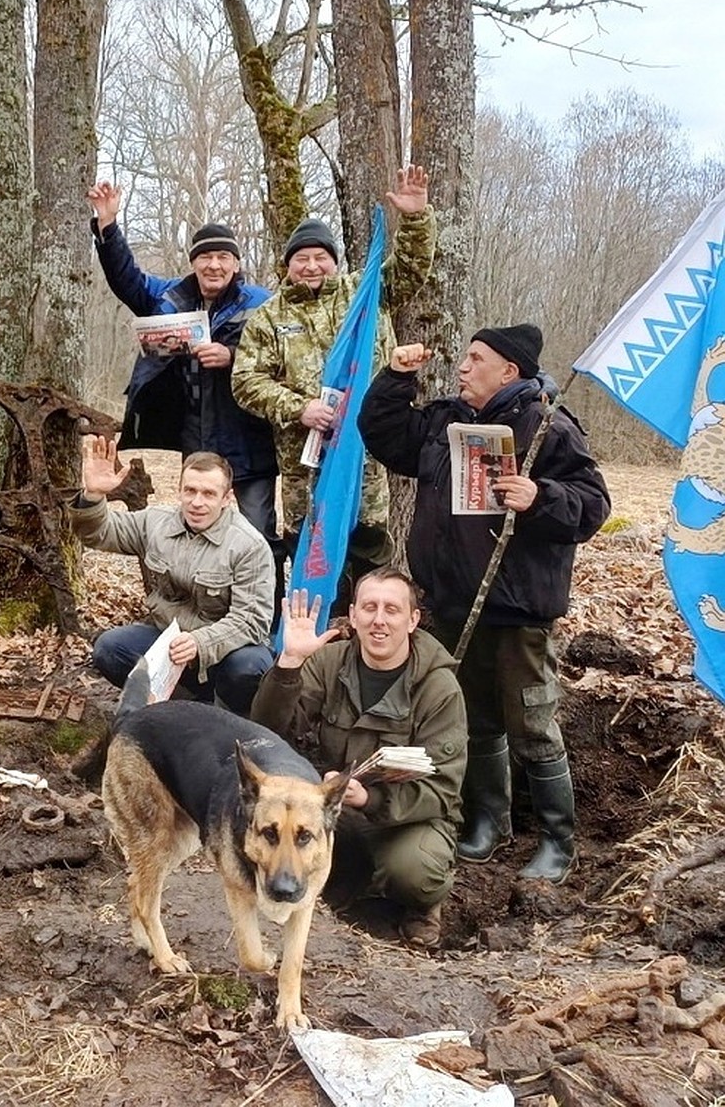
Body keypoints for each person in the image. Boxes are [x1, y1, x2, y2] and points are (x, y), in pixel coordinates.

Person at [358, 327, 611, 883]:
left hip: (518, 610)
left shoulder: (547, 427)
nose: (464, 367)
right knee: (473, 718)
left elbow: (593, 506)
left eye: (477, 359)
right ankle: (488, 823)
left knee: (532, 722)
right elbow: (381, 433)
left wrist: (540, 497)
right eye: (467, 357)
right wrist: (396, 378)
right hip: (451, 602)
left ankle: (556, 841)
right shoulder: (447, 420)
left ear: (509, 372)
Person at [232, 166, 436, 597]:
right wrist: (298, 408)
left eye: (320, 257)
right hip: (306, 474)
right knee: (315, 576)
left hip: (365, 471)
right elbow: (245, 380)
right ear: (286, 266)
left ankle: (368, 652)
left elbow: (411, 270)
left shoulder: (363, 294)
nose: (311, 266)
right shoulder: (270, 316)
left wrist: (416, 219)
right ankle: (313, 655)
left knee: (369, 571)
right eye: (300, 259)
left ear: (333, 261)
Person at [250, 571, 466, 948]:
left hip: (408, 820)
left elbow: (444, 789)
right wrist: (288, 665)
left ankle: (419, 908)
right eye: (369, 607)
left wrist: (371, 799)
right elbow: (267, 731)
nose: (379, 619)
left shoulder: (439, 687)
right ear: (352, 615)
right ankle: (352, 891)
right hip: (335, 812)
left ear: (413, 620)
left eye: (392, 610)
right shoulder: (330, 662)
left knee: (416, 873)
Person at [86, 183, 281, 595]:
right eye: (205, 257)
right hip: (196, 436)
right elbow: (127, 281)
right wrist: (107, 226)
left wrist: (231, 356)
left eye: (223, 257)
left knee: (257, 530)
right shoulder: (170, 297)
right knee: (200, 521)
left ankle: (263, 619)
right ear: (194, 262)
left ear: (236, 262)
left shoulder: (262, 303)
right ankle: (201, 606)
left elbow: (284, 359)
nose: (214, 265)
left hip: (250, 438)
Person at [71, 437, 274, 716]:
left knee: (249, 668)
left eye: (209, 494)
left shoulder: (248, 545)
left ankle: (227, 717)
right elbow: (99, 533)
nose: (197, 502)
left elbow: (252, 621)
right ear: (179, 491)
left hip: (226, 651)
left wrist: (200, 643)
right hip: (169, 643)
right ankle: (181, 708)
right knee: (109, 648)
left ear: (227, 498)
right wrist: (93, 496)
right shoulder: (156, 523)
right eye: (189, 491)